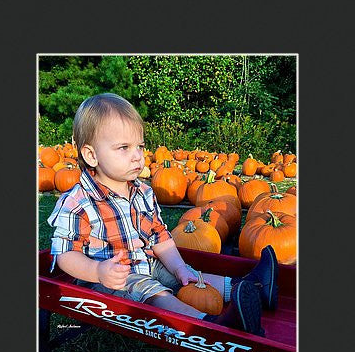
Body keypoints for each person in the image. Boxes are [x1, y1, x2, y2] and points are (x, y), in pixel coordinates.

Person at [47, 93, 278, 335]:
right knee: (152, 291)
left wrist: (179, 268)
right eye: (124, 148)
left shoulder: (143, 192)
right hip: (110, 279)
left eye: (140, 146)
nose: (137, 156)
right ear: (91, 155)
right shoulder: (78, 201)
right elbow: (66, 255)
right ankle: (210, 324)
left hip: (148, 263)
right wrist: (98, 272)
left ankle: (254, 287)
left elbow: (159, 236)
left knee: (188, 276)